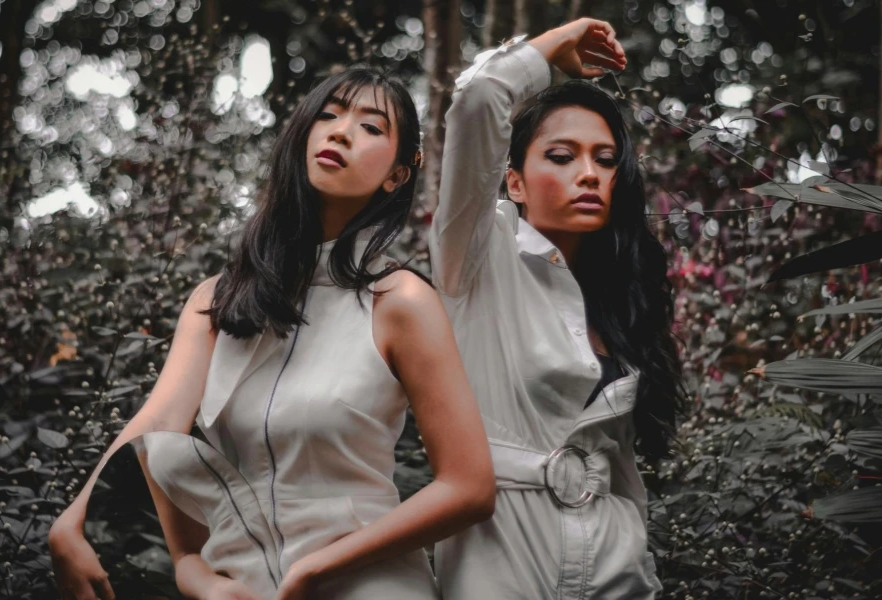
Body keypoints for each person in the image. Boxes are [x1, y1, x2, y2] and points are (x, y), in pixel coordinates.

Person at [49, 66, 496, 600]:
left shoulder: (399, 301)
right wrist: (80, 524)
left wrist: (314, 569)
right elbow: (156, 433)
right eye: (327, 116)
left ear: (396, 176)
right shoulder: (216, 302)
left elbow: (469, 487)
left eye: (371, 127)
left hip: (370, 586)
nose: (340, 131)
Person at [430, 18, 685, 599]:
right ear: (513, 182)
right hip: (500, 562)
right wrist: (556, 47)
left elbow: (620, 469)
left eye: (605, 159)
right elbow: (478, 100)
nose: (589, 173)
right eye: (563, 156)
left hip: (618, 570)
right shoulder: (474, 259)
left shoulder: (624, 294)